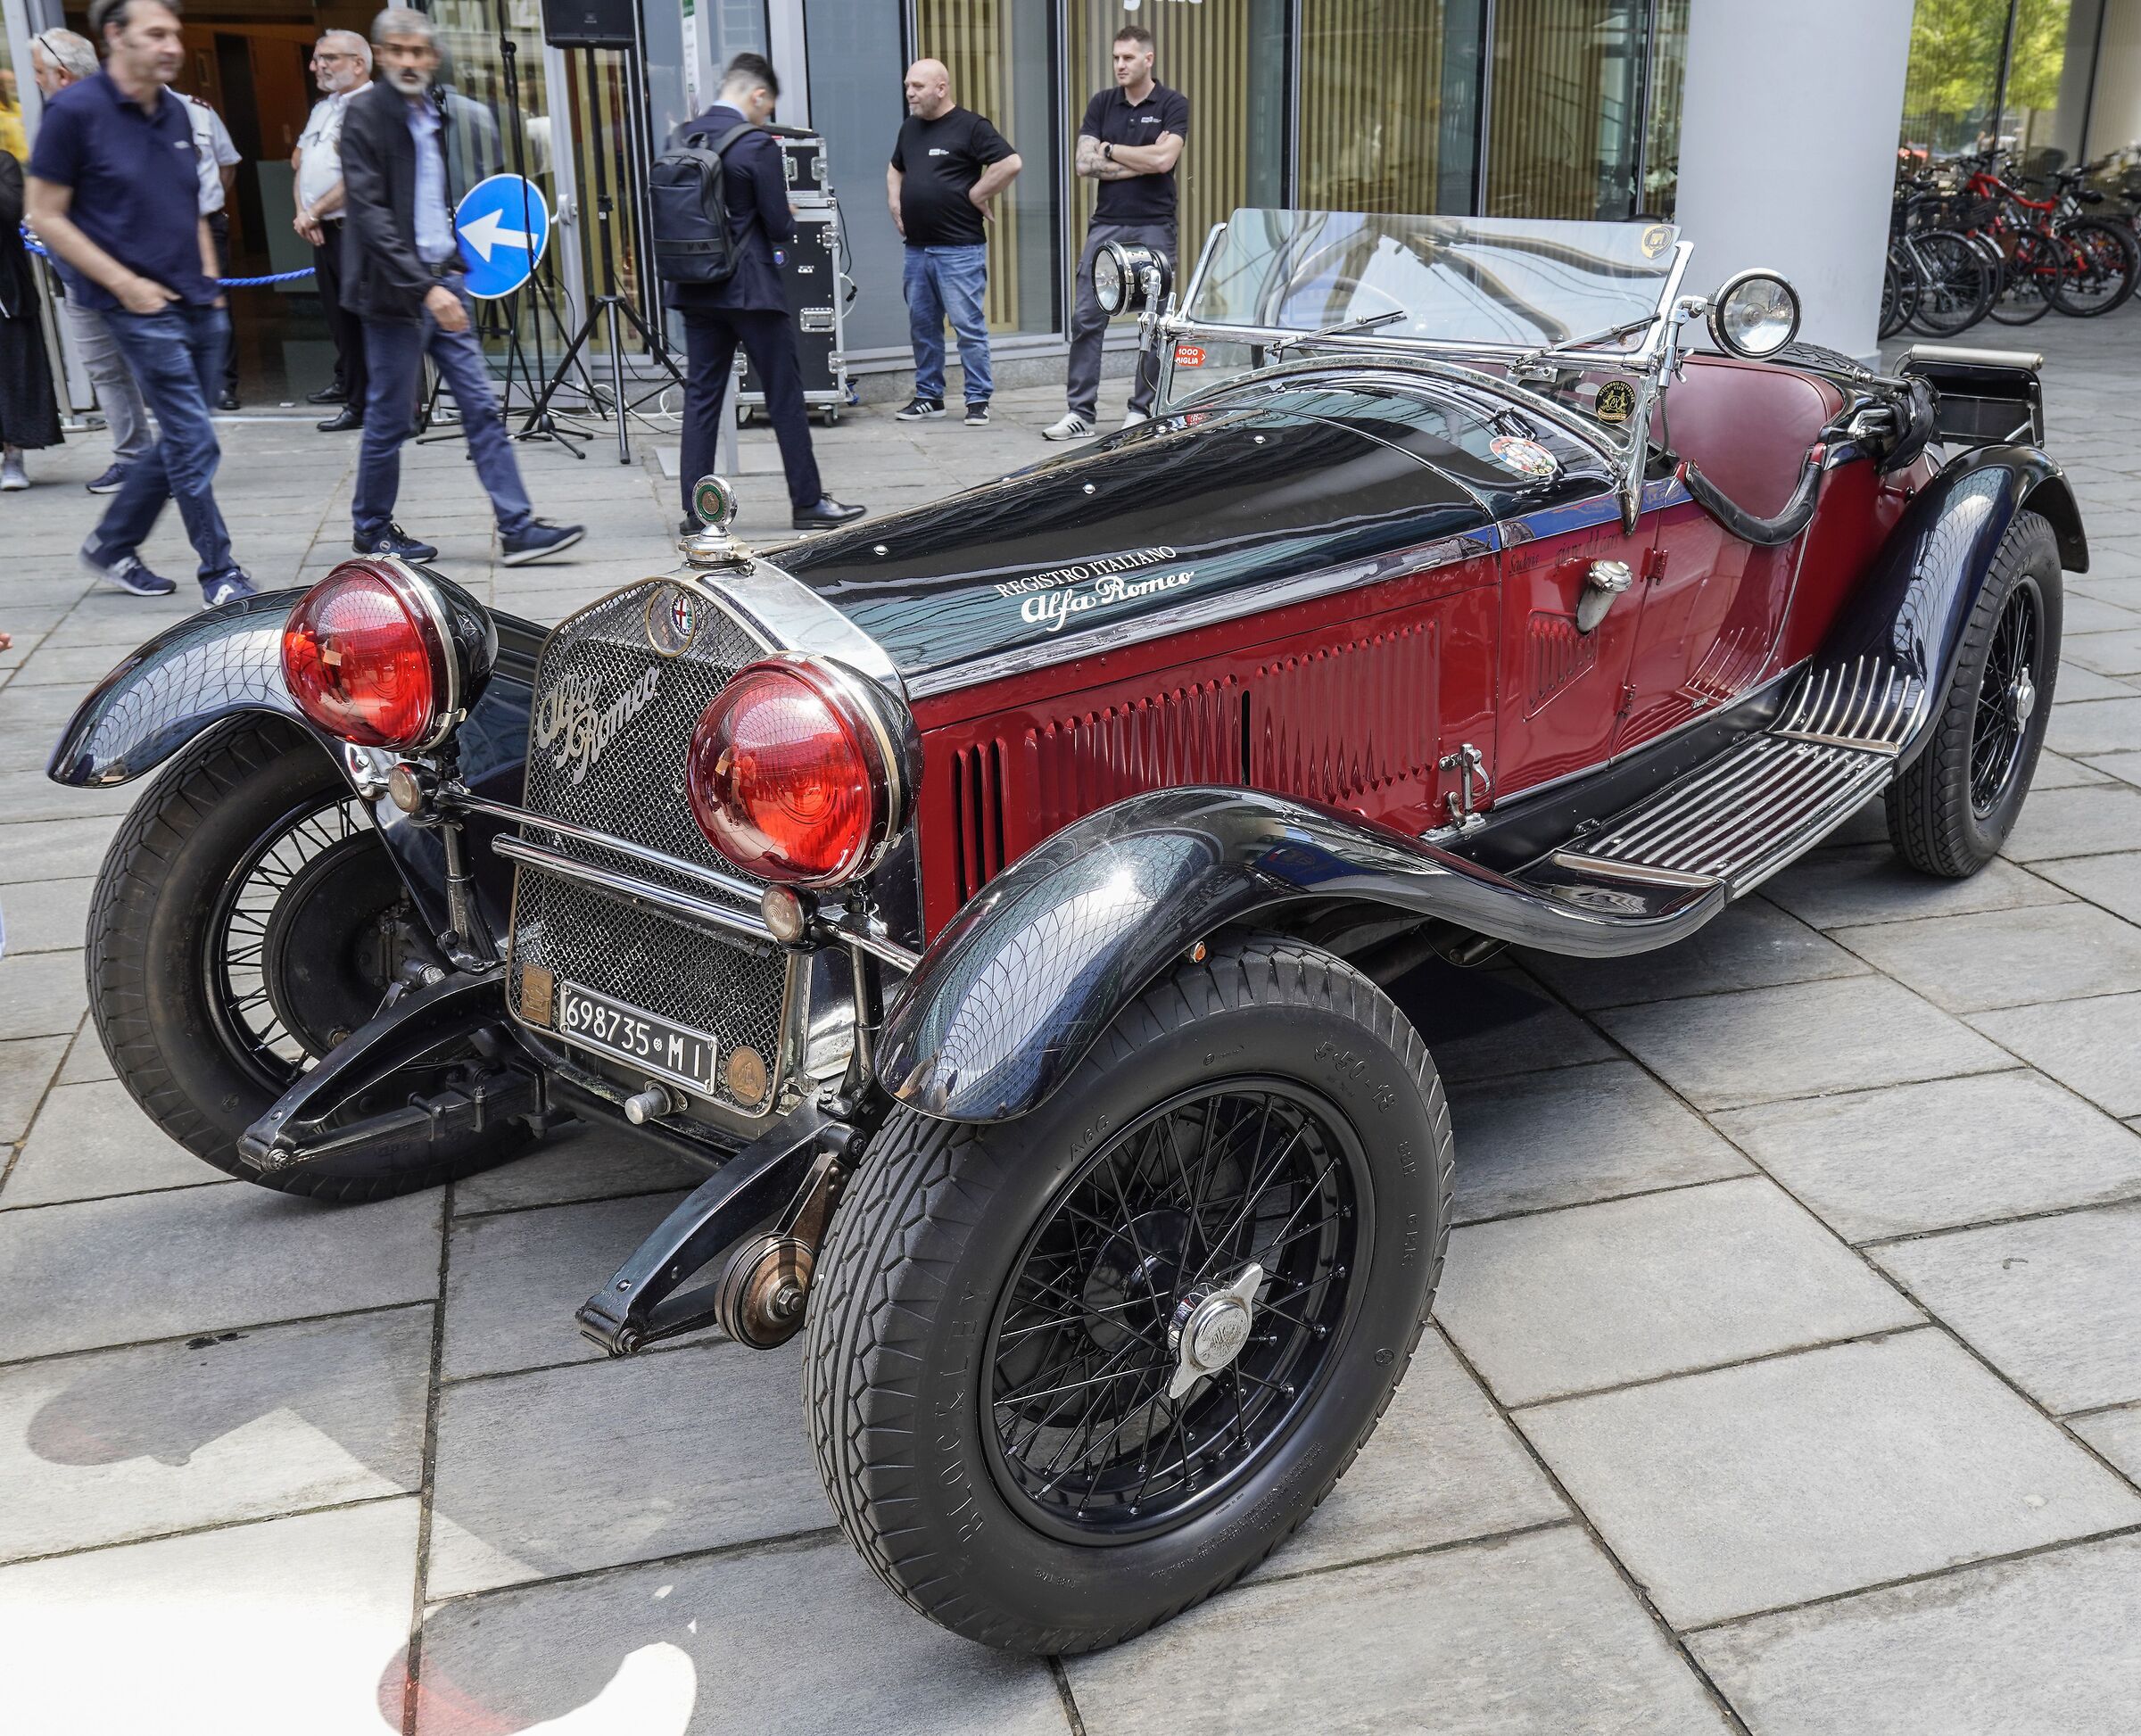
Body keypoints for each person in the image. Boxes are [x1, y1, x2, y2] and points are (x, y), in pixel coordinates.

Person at [27, 0, 255, 605]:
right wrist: (124, 283)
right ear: (114, 36)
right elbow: (45, 215)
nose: (172, 46)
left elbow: (191, 204)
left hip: (197, 301)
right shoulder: (74, 112)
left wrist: (208, 279)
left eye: (175, 34)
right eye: (156, 34)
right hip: (138, 306)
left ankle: (111, 543)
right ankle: (221, 572)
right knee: (193, 439)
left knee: (186, 434)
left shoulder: (177, 113)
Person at [338, 9, 581, 566]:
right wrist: (426, 288)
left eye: (418, 52)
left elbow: (425, 203)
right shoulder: (365, 117)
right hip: (396, 293)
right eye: (396, 50)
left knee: (479, 405)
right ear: (379, 54)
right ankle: (372, 528)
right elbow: (371, 215)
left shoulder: (433, 113)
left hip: (443, 279)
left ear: (433, 58)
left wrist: (446, 271)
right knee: (390, 416)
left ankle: (517, 528)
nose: (407, 61)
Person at [671, 54, 864, 533]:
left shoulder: (684, 137)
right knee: (783, 393)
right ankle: (808, 502)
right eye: (767, 106)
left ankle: (696, 514)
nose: (765, 115)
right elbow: (778, 226)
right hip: (750, 290)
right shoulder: (753, 144)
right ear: (757, 95)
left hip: (695, 287)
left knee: (702, 398)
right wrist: (787, 210)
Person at [1044, 23, 1187, 442]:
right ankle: (1080, 413)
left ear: (1149, 59)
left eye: (1127, 57)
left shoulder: (1172, 103)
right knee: (1088, 316)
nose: (1119, 65)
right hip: (1106, 224)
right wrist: (1140, 158)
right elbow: (1083, 164)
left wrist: (1109, 149)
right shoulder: (1102, 102)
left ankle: (1141, 411)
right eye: (1115, 58)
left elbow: (1164, 161)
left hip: (1155, 226)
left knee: (1154, 322)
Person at [29, 27, 148, 494]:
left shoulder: (118, 113)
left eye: (39, 72)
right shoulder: (60, 118)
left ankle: (178, 462)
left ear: (62, 74)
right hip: (78, 276)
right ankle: (133, 457)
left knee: (154, 366)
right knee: (104, 369)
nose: (35, 80)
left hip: (126, 273)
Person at [887, 59, 1020, 428]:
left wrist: (978, 191)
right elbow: (895, 167)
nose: (910, 93)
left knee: (967, 325)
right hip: (917, 248)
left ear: (941, 88)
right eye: (907, 85)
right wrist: (894, 200)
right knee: (922, 325)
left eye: (917, 86)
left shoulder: (971, 127)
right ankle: (929, 396)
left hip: (959, 248)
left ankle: (978, 399)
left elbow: (1010, 162)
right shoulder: (909, 129)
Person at [293, 30, 369, 431]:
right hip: (324, 229)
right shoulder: (324, 109)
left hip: (357, 230)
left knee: (368, 321)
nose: (317, 66)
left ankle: (383, 408)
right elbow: (300, 163)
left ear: (358, 63)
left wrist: (315, 210)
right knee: (341, 322)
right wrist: (304, 213)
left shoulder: (373, 106)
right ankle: (356, 401)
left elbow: (361, 175)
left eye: (328, 58)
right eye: (316, 58)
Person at [0, 152, 63, 489]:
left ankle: (13, 455)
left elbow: (11, 209)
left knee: (12, 373)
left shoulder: (3, 163)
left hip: (5, 290)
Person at [180, 88, 241, 409]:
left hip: (206, 223)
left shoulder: (198, 111)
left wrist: (209, 204)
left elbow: (226, 165)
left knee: (217, 303)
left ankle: (223, 384)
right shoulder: (118, 112)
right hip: (155, 232)